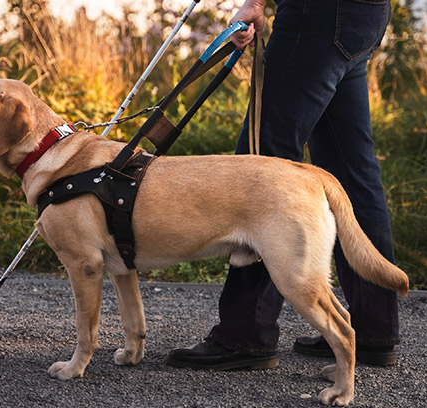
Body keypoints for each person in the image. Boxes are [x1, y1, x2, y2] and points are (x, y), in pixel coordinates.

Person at [166, 0, 401, 370]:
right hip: (365, 15)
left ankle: (246, 333)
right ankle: (373, 328)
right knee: (352, 171)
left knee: (261, 170)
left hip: (316, 15)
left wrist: (255, 3)